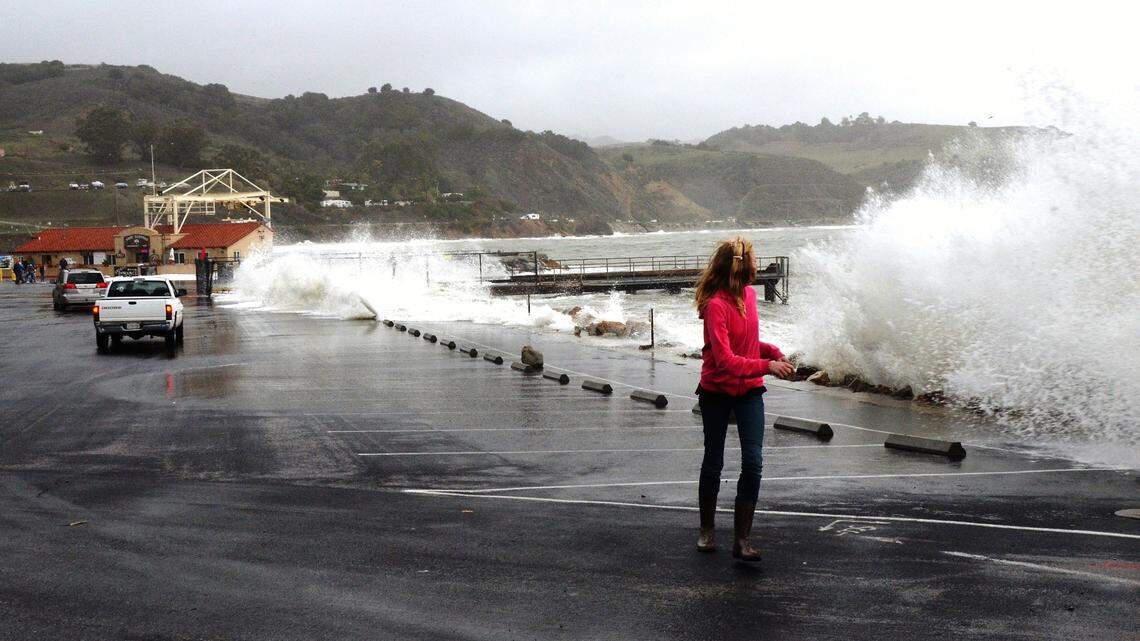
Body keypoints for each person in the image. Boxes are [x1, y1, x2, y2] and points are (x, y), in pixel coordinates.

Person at [693, 236, 794, 562]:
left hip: (749, 391)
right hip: (717, 391)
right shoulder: (715, 306)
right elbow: (724, 360)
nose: (757, 265)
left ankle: (742, 540)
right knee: (714, 460)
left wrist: (772, 351)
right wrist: (767, 366)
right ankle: (707, 530)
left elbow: (747, 343)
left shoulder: (749, 296)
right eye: (753, 259)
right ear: (739, 266)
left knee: (753, 461)